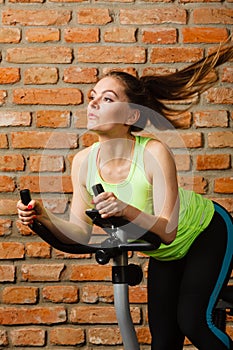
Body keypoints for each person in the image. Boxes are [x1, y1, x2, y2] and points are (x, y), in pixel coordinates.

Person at [17, 45, 233, 350]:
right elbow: (79, 231)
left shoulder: (154, 153)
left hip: (207, 233)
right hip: (165, 254)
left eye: (107, 99)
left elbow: (168, 231)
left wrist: (126, 209)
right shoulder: (82, 163)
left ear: (131, 114)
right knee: (164, 342)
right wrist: (42, 215)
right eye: (93, 96)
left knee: (195, 323)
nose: (93, 103)